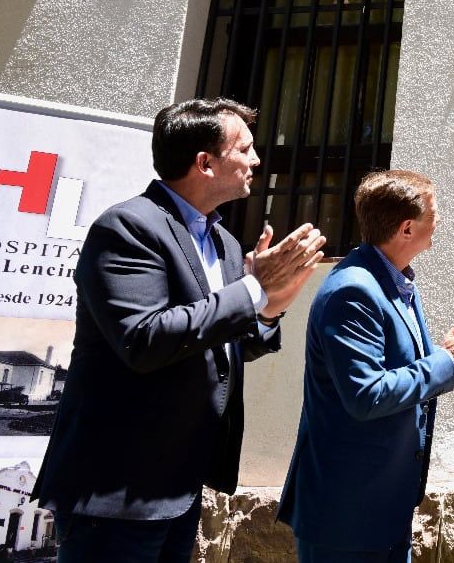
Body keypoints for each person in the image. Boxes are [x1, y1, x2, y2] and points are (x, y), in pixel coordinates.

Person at [33, 98, 327, 563]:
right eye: (245, 149)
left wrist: (270, 308)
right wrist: (253, 290)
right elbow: (144, 340)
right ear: (205, 163)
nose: (256, 160)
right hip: (117, 493)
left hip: (179, 487)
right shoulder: (128, 227)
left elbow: (219, 343)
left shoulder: (224, 242)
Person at [278, 169, 454, 562]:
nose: (438, 224)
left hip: (381, 508)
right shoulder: (354, 290)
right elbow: (367, 395)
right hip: (346, 518)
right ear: (407, 228)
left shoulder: (395, 279)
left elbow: (398, 369)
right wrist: (449, 361)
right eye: (433, 216)